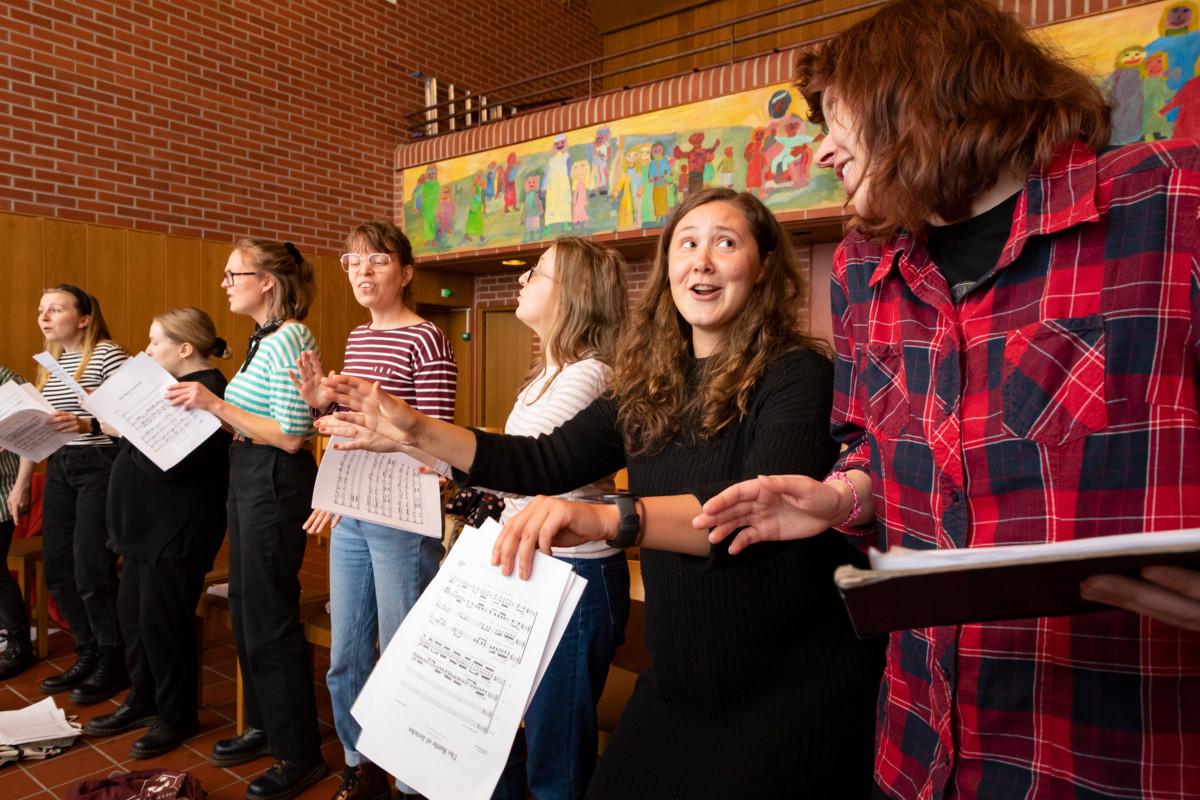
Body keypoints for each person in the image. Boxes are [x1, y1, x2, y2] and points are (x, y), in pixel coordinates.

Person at [694, 2, 1200, 798]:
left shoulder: (1171, 204)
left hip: (1117, 756)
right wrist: (842, 495)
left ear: (918, 91)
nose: (823, 146)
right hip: (919, 748)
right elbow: (873, 441)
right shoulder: (864, 266)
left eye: (836, 119)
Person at [320, 188, 886, 799]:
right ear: (668, 265)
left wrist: (607, 519)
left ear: (765, 266)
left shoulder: (795, 372)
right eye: (686, 244)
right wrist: (414, 429)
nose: (701, 260)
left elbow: (749, 508)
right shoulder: (653, 382)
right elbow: (543, 458)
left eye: (726, 242)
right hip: (680, 682)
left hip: (787, 685)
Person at [290, 221, 456, 800]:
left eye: (377, 260)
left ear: (405, 273)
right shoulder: (360, 338)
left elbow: (437, 446)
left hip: (403, 518)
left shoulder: (427, 339)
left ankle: (412, 781)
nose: (362, 271)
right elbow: (347, 431)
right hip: (356, 512)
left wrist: (370, 433)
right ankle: (362, 766)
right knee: (346, 654)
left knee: (404, 653)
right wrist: (319, 409)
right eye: (353, 261)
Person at [166, 240, 326, 800]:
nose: (226, 283)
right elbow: (257, 422)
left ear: (269, 283)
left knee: (268, 614)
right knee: (245, 608)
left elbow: (290, 434)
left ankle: (300, 753)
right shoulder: (264, 340)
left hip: (275, 480)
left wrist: (213, 406)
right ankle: (263, 725)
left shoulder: (291, 336)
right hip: (250, 473)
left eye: (235, 274)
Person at [481, 237, 630, 800]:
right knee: (509, 731)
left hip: (576, 577)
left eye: (535, 273)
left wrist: (436, 451)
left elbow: (536, 471)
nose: (521, 280)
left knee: (556, 750)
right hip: (535, 565)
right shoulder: (547, 376)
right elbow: (514, 464)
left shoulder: (589, 375)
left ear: (574, 293)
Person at [82, 308, 233, 759]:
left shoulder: (207, 390)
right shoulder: (169, 387)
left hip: (176, 528)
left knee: (165, 626)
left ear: (184, 348)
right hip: (145, 527)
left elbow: (173, 463)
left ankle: (176, 714)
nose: (146, 352)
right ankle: (142, 699)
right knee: (136, 620)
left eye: (154, 343)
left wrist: (123, 425)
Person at [23, 285, 129, 704]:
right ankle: (87, 648)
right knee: (58, 568)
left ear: (83, 318)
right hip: (60, 466)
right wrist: (20, 483)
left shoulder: (107, 354)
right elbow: (41, 429)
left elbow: (128, 415)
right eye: (40, 309)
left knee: (91, 569)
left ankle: (112, 657)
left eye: (55, 309)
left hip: (99, 466)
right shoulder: (50, 364)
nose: (44, 317)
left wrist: (87, 424)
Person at [0, 365, 36, 680]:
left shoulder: (8, 380)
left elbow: (32, 432)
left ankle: (20, 645)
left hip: (1, 490)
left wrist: (21, 485)